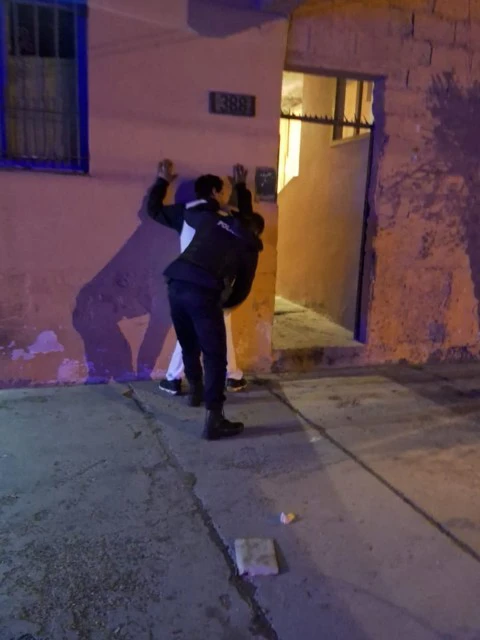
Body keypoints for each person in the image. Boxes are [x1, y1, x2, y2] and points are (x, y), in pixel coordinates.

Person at [147, 159, 264, 440]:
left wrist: (162, 182)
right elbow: (242, 287)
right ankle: (214, 420)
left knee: (188, 344)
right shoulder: (246, 244)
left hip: (176, 283)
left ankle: (194, 393)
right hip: (204, 291)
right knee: (214, 356)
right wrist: (224, 304)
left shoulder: (207, 219)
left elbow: (159, 211)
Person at [158, 164, 252, 396]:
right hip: (212, 283)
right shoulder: (222, 218)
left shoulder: (184, 213)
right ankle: (182, 380)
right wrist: (241, 188)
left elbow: (153, 209)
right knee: (207, 334)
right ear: (214, 192)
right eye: (222, 192)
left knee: (196, 332)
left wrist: (162, 182)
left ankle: (225, 376)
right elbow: (246, 222)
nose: (224, 197)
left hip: (183, 280)